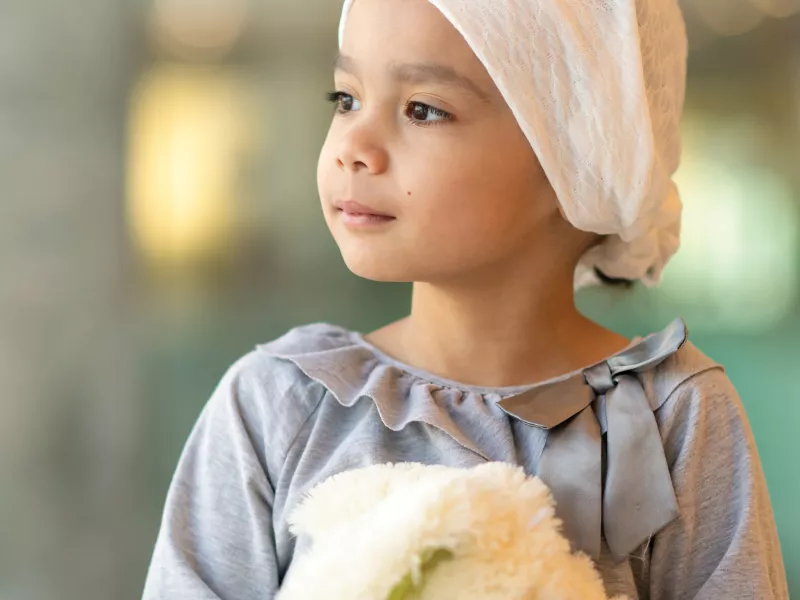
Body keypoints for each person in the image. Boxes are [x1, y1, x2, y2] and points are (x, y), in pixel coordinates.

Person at [142, 0, 789, 598]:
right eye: (346, 98)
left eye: (423, 109)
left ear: (577, 154)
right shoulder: (276, 405)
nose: (354, 149)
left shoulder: (676, 417)